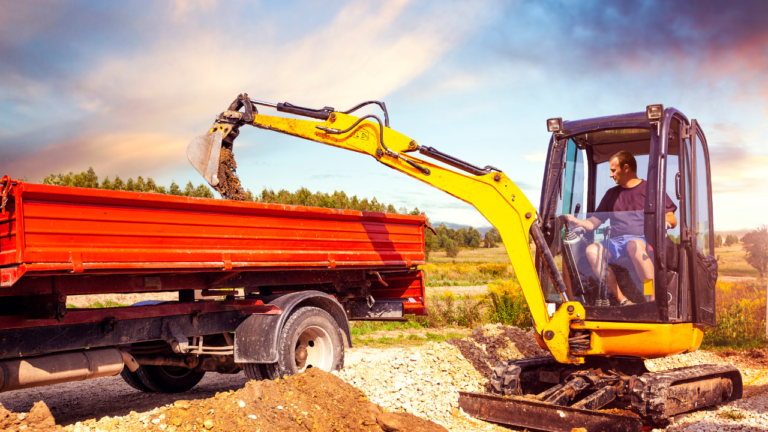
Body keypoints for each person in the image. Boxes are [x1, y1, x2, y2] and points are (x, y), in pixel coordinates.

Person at [566, 151, 677, 306]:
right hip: (615, 242)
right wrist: (576, 222)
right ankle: (622, 300)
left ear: (626, 168)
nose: (611, 175)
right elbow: (593, 222)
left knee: (634, 246)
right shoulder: (611, 194)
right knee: (592, 250)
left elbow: (672, 218)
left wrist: (663, 223)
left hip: (642, 239)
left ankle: (651, 298)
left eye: (613, 170)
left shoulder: (650, 190)